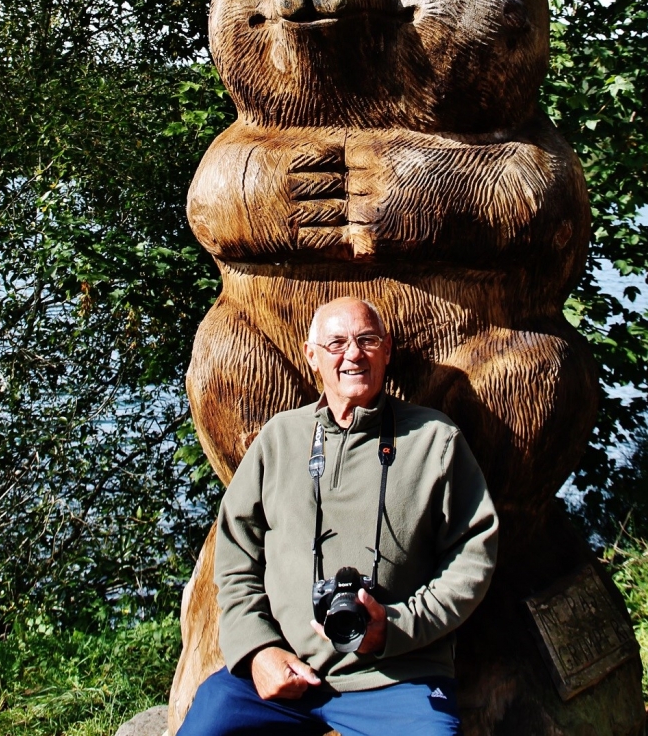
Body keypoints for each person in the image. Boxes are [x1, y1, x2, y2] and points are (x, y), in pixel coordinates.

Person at [180, 297, 498, 736]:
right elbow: (236, 558)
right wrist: (257, 650)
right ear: (312, 355)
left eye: (367, 340)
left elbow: (473, 557)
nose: (353, 354)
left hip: (396, 676)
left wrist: (397, 628)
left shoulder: (435, 440)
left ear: (387, 350)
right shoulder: (278, 439)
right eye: (336, 343)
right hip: (284, 668)